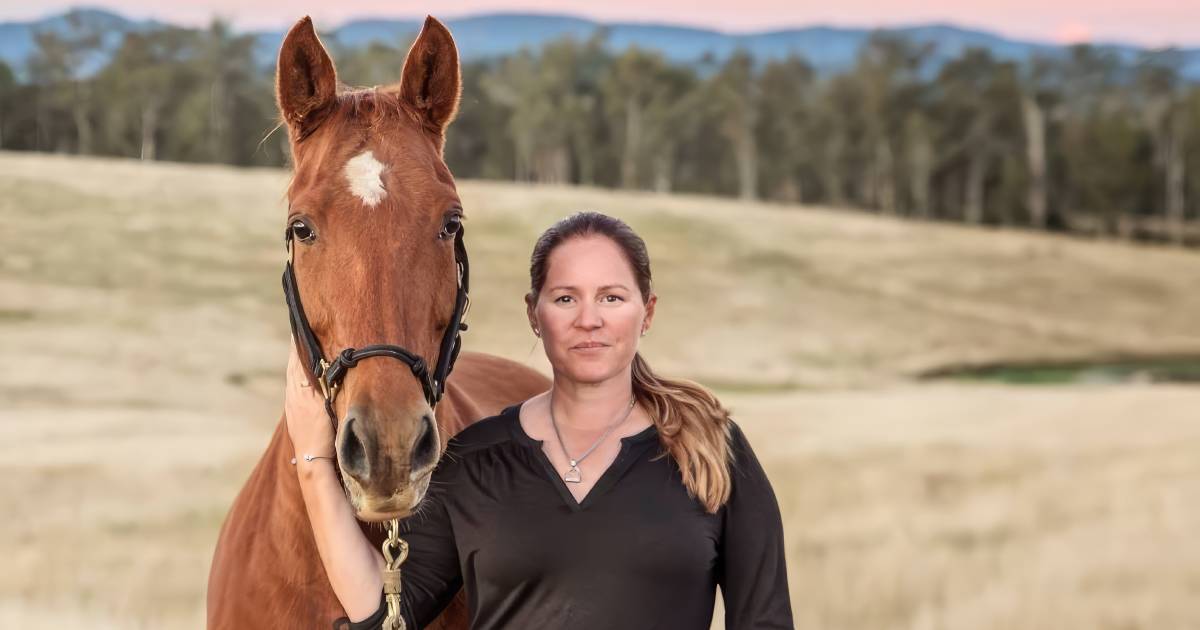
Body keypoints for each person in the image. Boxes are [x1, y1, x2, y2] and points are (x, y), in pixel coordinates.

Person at [286, 211, 793, 629]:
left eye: (612, 298)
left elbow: (764, 621)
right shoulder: (475, 460)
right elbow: (388, 615)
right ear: (535, 313)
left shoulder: (709, 449)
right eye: (565, 298)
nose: (588, 320)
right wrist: (313, 466)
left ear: (648, 311)